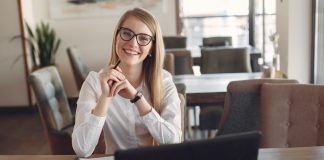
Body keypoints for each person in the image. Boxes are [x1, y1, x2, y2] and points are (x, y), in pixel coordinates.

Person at [72, 7, 182, 157]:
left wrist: (137, 98)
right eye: (126, 33)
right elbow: (82, 149)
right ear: (116, 37)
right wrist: (105, 97)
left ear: (152, 48)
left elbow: (173, 142)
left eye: (143, 38)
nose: (133, 43)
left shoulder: (164, 81)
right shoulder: (94, 82)